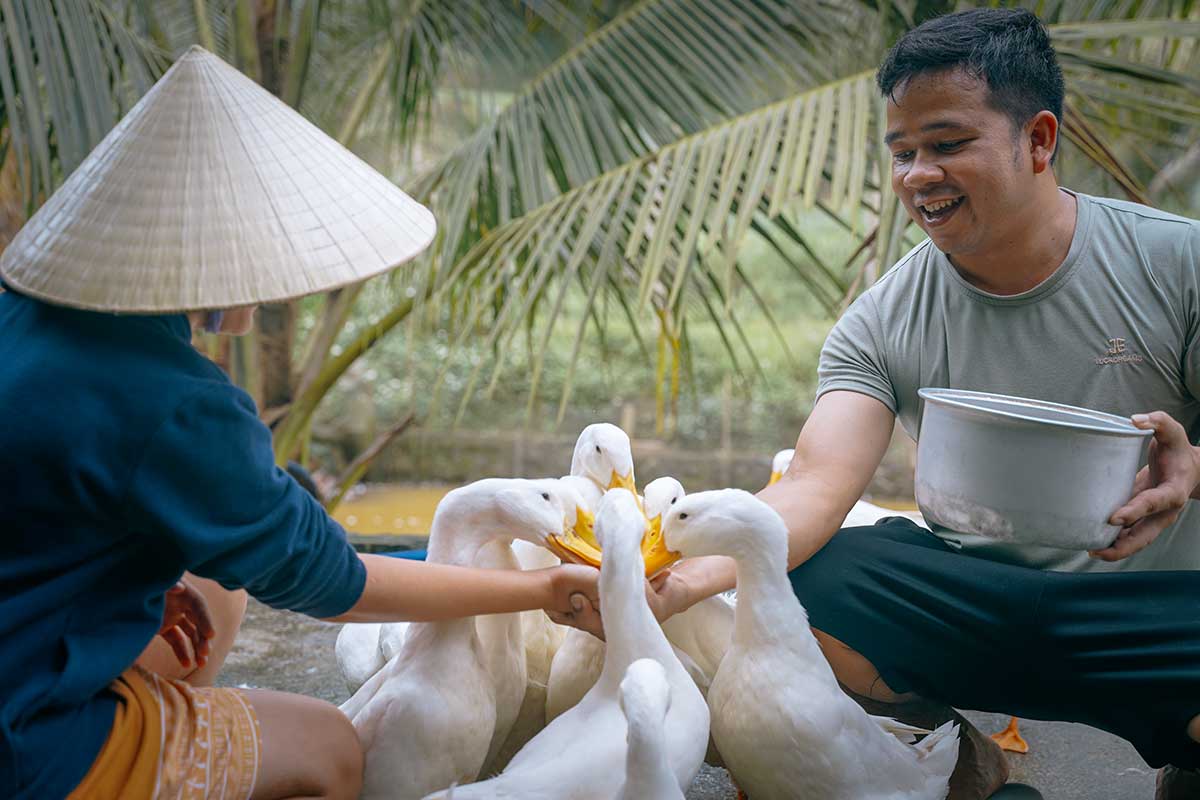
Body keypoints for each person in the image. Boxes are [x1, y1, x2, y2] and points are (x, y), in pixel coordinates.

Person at [0, 47, 601, 800]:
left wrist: (131, 590)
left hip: (22, 633)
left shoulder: (21, 316)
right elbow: (331, 581)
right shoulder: (177, 403)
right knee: (328, 747)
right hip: (22, 729)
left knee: (214, 591)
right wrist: (543, 590)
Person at [646, 9, 1200, 800]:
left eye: (947, 145)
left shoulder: (1178, 264)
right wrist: (682, 579)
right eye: (902, 152)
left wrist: (1193, 470)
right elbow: (810, 483)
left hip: (1152, 616)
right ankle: (958, 764)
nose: (916, 175)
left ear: (1039, 140)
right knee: (817, 574)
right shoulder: (881, 318)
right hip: (977, 609)